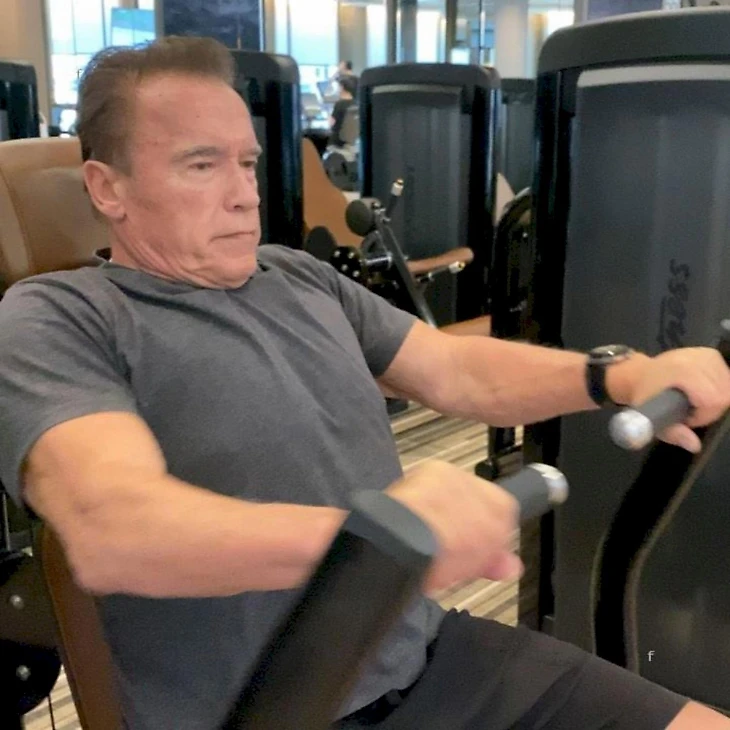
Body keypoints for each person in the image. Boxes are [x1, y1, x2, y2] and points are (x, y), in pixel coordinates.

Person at [0, 36, 728, 730]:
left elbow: (453, 369)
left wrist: (621, 374)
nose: (244, 195)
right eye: (201, 165)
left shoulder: (294, 275)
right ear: (108, 188)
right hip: (281, 707)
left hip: (429, 652)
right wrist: (386, 541)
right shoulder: (59, 316)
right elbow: (114, 530)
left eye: (247, 164)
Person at [329, 76, 358, 148]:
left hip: (337, 141)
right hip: (352, 141)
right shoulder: (356, 103)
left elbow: (331, 123)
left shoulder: (339, 104)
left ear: (341, 87)